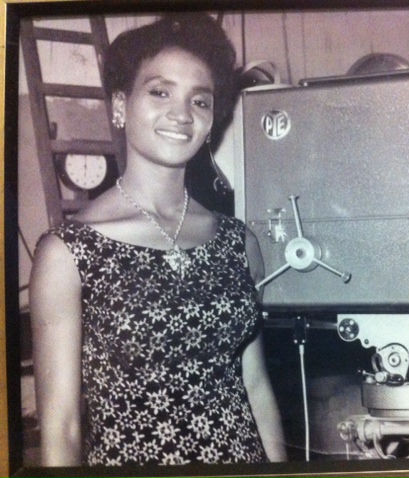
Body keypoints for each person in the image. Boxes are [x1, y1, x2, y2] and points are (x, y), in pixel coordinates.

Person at [29, 12, 286, 466]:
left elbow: (255, 388)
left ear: (212, 122)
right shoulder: (68, 253)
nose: (182, 114)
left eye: (200, 101)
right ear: (119, 105)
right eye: (160, 92)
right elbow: (62, 427)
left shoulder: (236, 242)